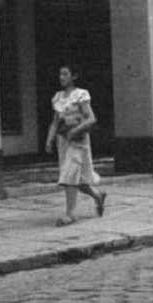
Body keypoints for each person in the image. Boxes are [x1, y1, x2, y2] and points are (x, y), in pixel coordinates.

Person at [45, 63, 106, 227]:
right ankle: (98, 196)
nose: (62, 77)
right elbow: (55, 121)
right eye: (60, 74)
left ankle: (70, 214)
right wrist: (50, 139)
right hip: (63, 141)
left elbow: (91, 118)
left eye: (65, 74)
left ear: (74, 76)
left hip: (78, 141)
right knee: (78, 180)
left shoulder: (81, 95)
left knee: (69, 174)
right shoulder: (58, 97)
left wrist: (76, 130)